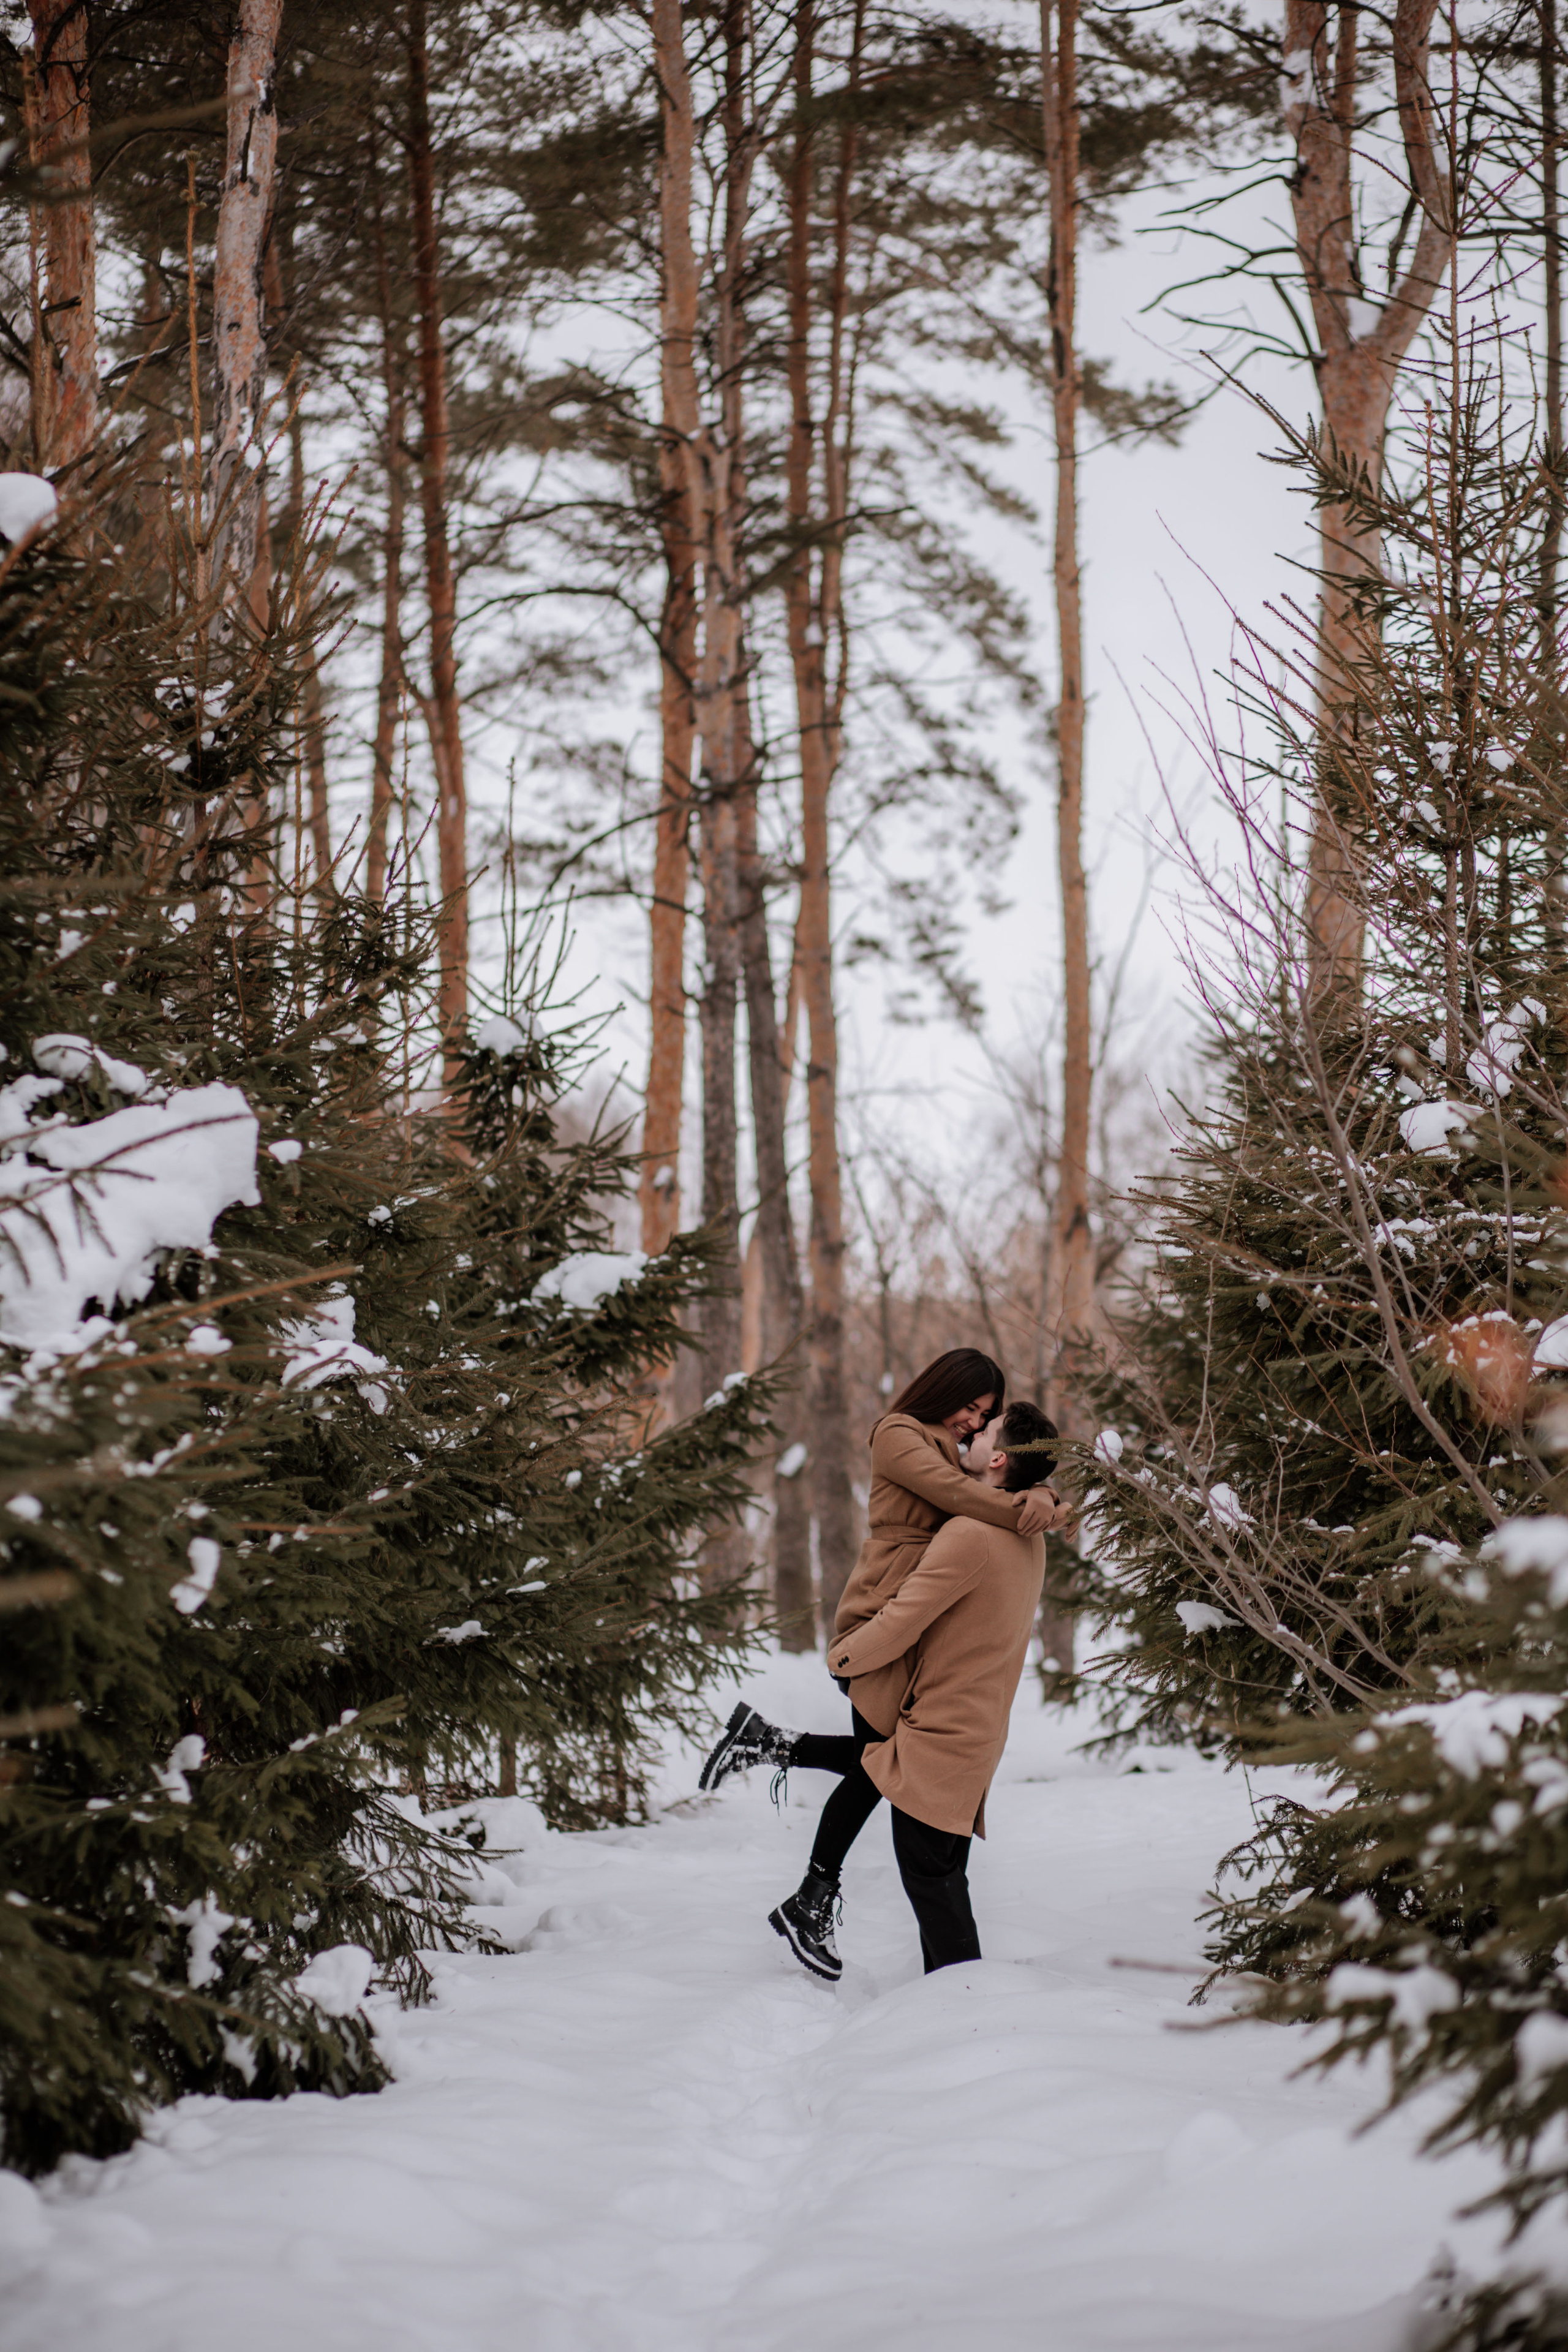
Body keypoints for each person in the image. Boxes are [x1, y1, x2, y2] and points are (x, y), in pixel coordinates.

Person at [704, 1398, 1061, 1982]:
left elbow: (903, 1618)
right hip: (971, 1735)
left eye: (986, 1425)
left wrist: (843, 1657)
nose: (971, 1428)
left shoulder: (971, 1533)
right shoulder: (1029, 1537)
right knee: (940, 1884)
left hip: (940, 1736)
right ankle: (769, 1748)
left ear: (998, 1457)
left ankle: (966, 2011)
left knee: (936, 1891)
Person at [698, 1349, 1067, 1817]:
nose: (974, 1423)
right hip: (883, 1606)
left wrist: (1040, 1489)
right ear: (946, 1390)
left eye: (985, 1415)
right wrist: (1039, 1509)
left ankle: (765, 1745)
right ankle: (812, 1876)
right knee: (882, 1764)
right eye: (970, 1408)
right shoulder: (899, 1433)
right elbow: (960, 1495)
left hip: (918, 1613)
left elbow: (997, 1477)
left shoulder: (957, 1450)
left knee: (885, 1760)